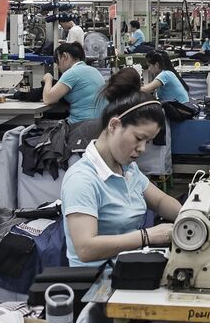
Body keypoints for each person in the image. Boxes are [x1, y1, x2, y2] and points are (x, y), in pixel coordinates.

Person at [61, 68, 182, 267]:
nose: (142, 149)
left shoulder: (127, 168)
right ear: (114, 125)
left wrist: (191, 216)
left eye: (148, 142)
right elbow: (85, 248)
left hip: (126, 269)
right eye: (139, 138)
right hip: (97, 283)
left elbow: (159, 201)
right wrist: (147, 236)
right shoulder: (82, 179)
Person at [43, 42, 107, 123]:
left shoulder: (72, 73)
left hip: (83, 125)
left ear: (64, 56)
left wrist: (48, 78)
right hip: (100, 123)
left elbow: (48, 99)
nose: (58, 67)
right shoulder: (92, 70)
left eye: (57, 61)